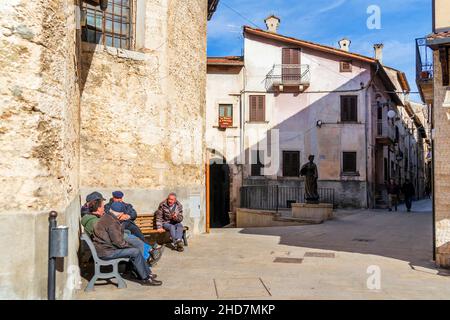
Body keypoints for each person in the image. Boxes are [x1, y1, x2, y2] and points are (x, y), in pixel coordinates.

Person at [81, 192, 163, 265]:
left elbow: (133, 213)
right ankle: (149, 253)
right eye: (101, 203)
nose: (119, 199)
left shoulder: (126, 205)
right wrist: (116, 219)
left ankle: (149, 251)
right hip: (109, 242)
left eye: (120, 198)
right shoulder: (100, 211)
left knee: (131, 230)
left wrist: (127, 216)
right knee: (131, 236)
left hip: (114, 233)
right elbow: (103, 228)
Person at [92, 201, 162, 286]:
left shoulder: (107, 217)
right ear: (120, 214)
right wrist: (130, 246)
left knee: (135, 249)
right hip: (107, 252)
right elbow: (119, 242)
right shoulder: (112, 223)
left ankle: (146, 273)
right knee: (135, 251)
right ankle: (146, 278)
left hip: (104, 249)